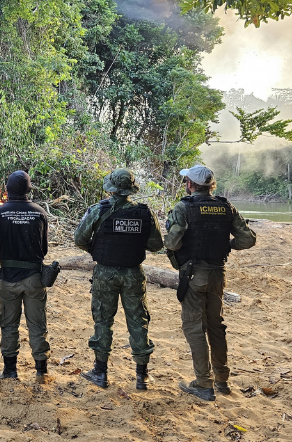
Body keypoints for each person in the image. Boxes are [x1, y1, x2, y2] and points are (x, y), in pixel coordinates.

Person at [165, 165, 256, 401]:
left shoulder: (184, 207)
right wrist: (228, 245)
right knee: (216, 326)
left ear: (190, 184)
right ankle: (222, 381)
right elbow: (247, 240)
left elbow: (172, 243)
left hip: (193, 274)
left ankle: (204, 383)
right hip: (218, 274)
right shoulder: (226, 206)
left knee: (194, 327)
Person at [74, 168, 163, 390]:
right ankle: (142, 376)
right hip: (133, 273)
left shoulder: (98, 210)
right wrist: (135, 242)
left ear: (111, 188)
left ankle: (100, 372)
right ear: (131, 189)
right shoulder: (145, 213)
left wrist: (95, 249)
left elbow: (79, 239)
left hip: (105, 272)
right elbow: (156, 245)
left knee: (103, 320)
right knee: (138, 321)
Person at [0, 171, 50, 382]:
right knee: (37, 325)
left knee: (8, 325)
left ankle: (10, 370)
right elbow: (44, 249)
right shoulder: (39, 212)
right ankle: (41, 371)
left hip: (8, 278)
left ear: (7, 189)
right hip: (35, 278)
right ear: (29, 189)